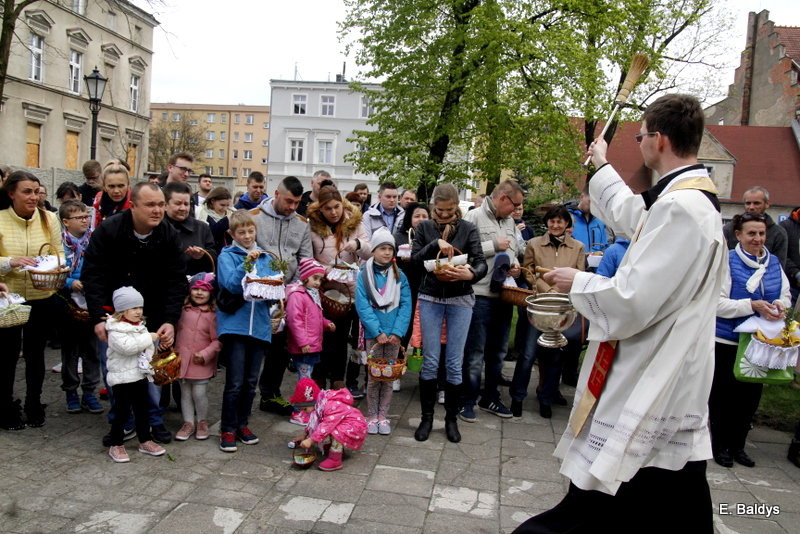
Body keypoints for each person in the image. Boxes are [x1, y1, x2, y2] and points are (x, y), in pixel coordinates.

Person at [514, 94, 725, 533]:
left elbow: (635, 299)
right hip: (674, 362)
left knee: (613, 493)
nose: (640, 142)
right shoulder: (685, 200)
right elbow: (636, 216)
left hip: (657, 363)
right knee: (674, 489)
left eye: (641, 135)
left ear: (659, 140)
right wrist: (602, 165)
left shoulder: (682, 210)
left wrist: (582, 283)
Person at [83, 182, 187, 445]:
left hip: (152, 314)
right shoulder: (109, 230)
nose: (157, 210)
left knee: (150, 374)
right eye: (150, 205)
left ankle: (153, 421)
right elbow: (92, 275)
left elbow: (177, 280)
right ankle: (122, 422)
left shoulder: (169, 234)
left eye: (161, 204)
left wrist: (170, 320)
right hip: (115, 316)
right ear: (133, 206)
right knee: (117, 374)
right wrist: (97, 318)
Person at [711, 212, 790, 468]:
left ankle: (738, 446)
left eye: (761, 233)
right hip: (727, 340)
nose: (757, 239)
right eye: (751, 233)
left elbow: (785, 295)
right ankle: (720, 446)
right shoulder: (728, 260)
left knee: (749, 399)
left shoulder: (774, 263)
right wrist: (752, 305)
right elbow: (717, 303)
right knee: (724, 397)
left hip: (759, 342)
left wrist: (778, 306)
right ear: (738, 235)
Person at [411, 183, 487, 443]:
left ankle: (451, 420)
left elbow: (480, 262)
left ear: (457, 206)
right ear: (433, 206)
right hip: (431, 297)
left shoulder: (469, 229)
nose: (444, 215)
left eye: (449, 210)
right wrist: (435, 243)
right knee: (431, 360)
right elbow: (416, 261)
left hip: (460, 299)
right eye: (440, 210)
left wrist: (471, 273)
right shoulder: (423, 227)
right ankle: (427, 418)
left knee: (454, 362)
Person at [0, 171, 63, 429]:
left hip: (42, 295)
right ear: (11, 193)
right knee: (7, 355)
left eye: (37, 191)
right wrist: (9, 262)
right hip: (9, 298)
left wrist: (52, 265)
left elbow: (59, 252)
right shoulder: (1, 219)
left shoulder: (49, 218)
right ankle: (5, 408)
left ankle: (34, 404)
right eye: (27, 191)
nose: (33, 197)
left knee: (37, 355)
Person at [460, 180, 525, 421]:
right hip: (479, 296)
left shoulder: (510, 222)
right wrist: (492, 246)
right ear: (502, 199)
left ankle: (490, 397)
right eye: (515, 205)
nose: (517, 211)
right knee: (475, 352)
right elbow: (461, 255)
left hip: (505, 296)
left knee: (497, 352)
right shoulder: (473, 217)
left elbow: (515, 251)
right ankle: (467, 400)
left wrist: (515, 266)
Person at [216, 210, 279, 453]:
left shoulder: (265, 256)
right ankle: (228, 427)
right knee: (234, 381)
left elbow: (271, 285)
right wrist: (247, 263)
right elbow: (230, 284)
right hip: (236, 326)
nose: (246, 236)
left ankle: (243, 424)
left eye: (250, 231)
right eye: (241, 232)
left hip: (260, 327)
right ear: (232, 234)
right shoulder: (227, 255)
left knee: (251, 381)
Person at [515, 205, 585, 419]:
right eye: (552, 221)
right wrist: (548, 289)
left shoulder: (577, 247)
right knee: (527, 354)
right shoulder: (534, 244)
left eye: (560, 222)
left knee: (555, 355)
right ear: (547, 223)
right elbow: (528, 272)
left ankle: (546, 399)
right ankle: (517, 398)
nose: (555, 225)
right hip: (538, 306)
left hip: (562, 310)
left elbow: (580, 275)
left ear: (566, 225)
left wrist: (560, 290)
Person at [254, 176, 313, 416]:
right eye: (288, 201)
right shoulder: (254, 217)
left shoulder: (301, 223)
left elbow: (305, 258)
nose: (292, 207)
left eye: (297, 203)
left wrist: (297, 288)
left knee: (280, 348)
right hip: (258, 292)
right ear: (276, 194)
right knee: (256, 346)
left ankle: (270, 394)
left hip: (287, 293)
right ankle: (246, 392)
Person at [305, 185, 371, 395]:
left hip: (350, 293)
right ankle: (318, 382)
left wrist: (357, 244)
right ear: (320, 210)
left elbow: (370, 253)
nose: (333, 212)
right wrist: (326, 271)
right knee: (324, 338)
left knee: (342, 339)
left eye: (336, 207)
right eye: (328, 209)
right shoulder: (312, 227)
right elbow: (307, 259)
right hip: (324, 292)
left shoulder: (355, 222)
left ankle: (337, 382)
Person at [355, 228, 412, 435]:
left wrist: (397, 332)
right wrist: (376, 331)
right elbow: (362, 306)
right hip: (375, 335)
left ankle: (383, 415)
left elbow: (406, 305)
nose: (387, 253)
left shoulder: (400, 276)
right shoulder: (364, 275)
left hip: (393, 336)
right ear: (374, 251)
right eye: (382, 248)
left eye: (390, 249)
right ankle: (371, 415)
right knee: (373, 377)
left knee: (388, 376)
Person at [104, 286, 167, 463]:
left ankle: (145, 440)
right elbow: (127, 348)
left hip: (139, 375)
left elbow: (145, 349)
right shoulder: (115, 329)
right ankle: (116, 444)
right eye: (133, 308)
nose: (138, 312)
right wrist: (150, 338)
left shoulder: (140, 326)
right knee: (122, 412)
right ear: (122, 310)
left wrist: (153, 351)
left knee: (142, 410)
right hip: (122, 378)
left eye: (140, 308)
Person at [59, 200, 103, 415]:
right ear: (66, 222)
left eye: (87, 216)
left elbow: (101, 265)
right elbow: (54, 269)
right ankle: (70, 392)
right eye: (80, 217)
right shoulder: (59, 243)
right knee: (70, 351)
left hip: (90, 300)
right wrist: (69, 282)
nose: (85, 220)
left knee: (92, 351)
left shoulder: (94, 240)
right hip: (68, 302)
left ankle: (89, 392)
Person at [285, 258, 336, 426]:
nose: (318, 282)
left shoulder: (311, 295)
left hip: (312, 344)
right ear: (305, 277)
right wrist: (302, 342)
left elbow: (316, 316)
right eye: (315, 278)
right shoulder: (297, 295)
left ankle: (305, 409)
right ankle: (298, 411)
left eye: (320, 279)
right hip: (304, 347)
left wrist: (326, 323)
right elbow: (295, 320)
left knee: (307, 378)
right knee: (304, 380)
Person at [174, 272, 221, 441]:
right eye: (196, 289)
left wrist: (205, 354)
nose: (199, 293)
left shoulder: (213, 315)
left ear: (211, 293)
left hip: (200, 362)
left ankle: (202, 421)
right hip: (182, 361)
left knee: (199, 394)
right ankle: (188, 423)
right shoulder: (182, 310)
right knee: (185, 394)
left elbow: (217, 341)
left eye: (205, 290)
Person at [290, 378, 367, 471]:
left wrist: (311, 440)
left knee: (335, 430)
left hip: (355, 425)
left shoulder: (329, 406)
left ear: (312, 402)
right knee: (333, 427)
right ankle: (335, 448)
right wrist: (305, 435)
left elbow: (325, 426)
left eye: (305, 409)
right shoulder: (319, 405)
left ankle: (335, 459)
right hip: (346, 422)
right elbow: (313, 423)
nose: (305, 413)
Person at [393, 202, 430, 349]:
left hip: (426, 289)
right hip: (404, 289)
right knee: (404, 328)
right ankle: (396, 363)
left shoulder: (433, 237)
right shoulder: (399, 237)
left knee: (423, 332)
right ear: (409, 218)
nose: (421, 219)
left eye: (424, 216)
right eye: (417, 216)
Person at [723, 186, 788, 268]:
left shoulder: (778, 233)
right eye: (748, 203)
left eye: (756, 203)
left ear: (767, 204)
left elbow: (779, 266)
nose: (751, 207)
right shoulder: (729, 228)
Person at [164, 182, 216, 276]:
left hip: (195, 287)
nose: (183, 208)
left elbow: (213, 258)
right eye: (178, 203)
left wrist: (202, 255)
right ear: (165, 205)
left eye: (186, 204)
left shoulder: (202, 228)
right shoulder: (155, 228)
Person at [567, 184, 610, 253]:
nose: (593, 206)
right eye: (590, 202)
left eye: (595, 203)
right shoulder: (567, 218)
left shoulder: (600, 221)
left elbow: (604, 246)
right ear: (581, 197)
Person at [91, 160, 131, 230]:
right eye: (111, 186)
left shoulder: (135, 202)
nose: (116, 191)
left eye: (121, 186)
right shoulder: (98, 200)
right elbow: (93, 229)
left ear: (128, 185)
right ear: (104, 187)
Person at [196, 187, 234, 255]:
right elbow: (208, 234)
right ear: (212, 201)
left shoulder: (232, 212)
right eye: (222, 205)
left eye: (227, 205)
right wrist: (225, 221)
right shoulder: (202, 213)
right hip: (212, 255)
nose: (225, 209)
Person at [779, 206, 800, 302]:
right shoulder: (785, 226)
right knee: (790, 316)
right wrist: (796, 273)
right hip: (791, 286)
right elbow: (781, 254)